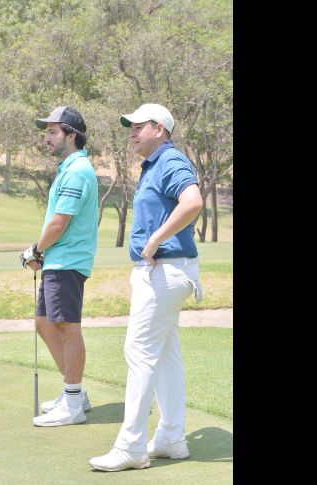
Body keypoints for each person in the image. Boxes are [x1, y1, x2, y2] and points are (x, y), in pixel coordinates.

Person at [89, 104, 203, 471]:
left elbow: (193, 202)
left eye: (138, 126)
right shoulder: (154, 164)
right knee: (166, 357)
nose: (132, 132)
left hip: (165, 270)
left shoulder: (170, 161)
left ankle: (132, 446)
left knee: (139, 352)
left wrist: (154, 240)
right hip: (167, 271)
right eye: (130, 127)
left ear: (159, 128)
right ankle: (171, 438)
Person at [20, 106, 99, 427]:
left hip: (68, 262)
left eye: (53, 132)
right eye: (47, 132)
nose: (47, 138)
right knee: (44, 322)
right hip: (58, 261)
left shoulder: (78, 170)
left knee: (67, 327)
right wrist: (41, 253)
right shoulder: (69, 168)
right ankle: (75, 395)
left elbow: (60, 222)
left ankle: (73, 400)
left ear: (71, 135)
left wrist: (35, 250)